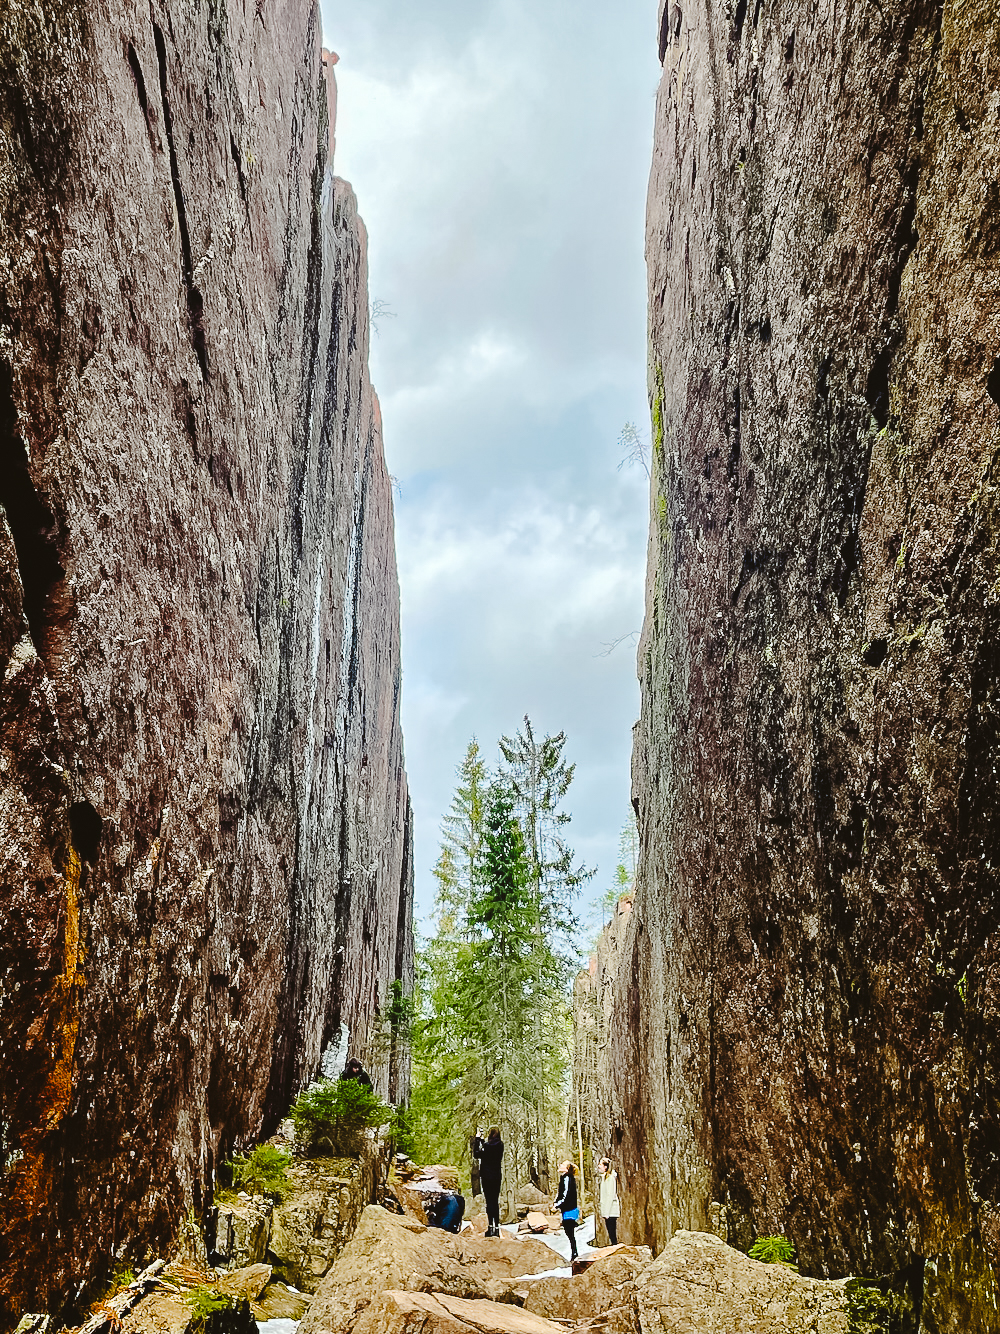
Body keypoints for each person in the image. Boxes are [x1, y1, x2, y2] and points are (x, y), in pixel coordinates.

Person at [472, 1126, 504, 1237]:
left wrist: (478, 1139)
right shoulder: (500, 1145)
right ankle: (497, 1228)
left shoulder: (486, 1146)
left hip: (486, 1177)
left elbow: (476, 1153)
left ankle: (490, 1227)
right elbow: (489, 1148)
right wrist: (482, 1141)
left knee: (489, 1202)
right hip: (497, 1177)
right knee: (495, 1201)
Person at [553, 1160, 580, 1261]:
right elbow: (561, 1193)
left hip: (570, 1208)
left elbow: (566, 1194)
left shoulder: (568, 1178)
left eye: (563, 1165)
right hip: (566, 1209)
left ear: (567, 1168)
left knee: (570, 1232)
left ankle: (574, 1254)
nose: (560, 1165)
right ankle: (574, 1253)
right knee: (568, 1232)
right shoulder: (564, 1177)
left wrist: (557, 1205)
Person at [598, 1157, 621, 1244]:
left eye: (600, 1164)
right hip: (607, 1211)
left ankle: (615, 1247)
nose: (599, 1166)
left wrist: (606, 1212)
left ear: (606, 1167)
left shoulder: (610, 1178)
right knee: (610, 1232)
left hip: (611, 1210)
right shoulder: (604, 1178)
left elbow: (610, 1195)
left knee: (612, 1232)